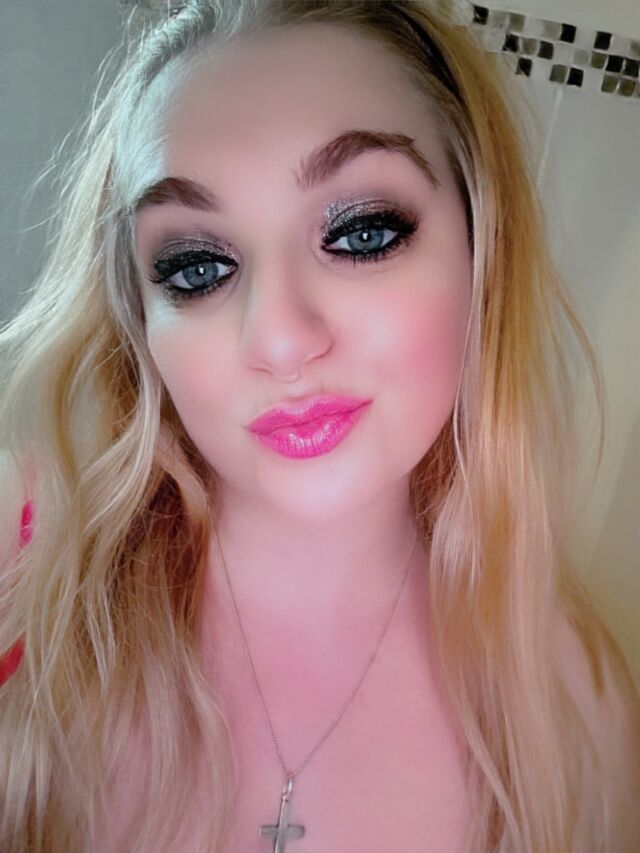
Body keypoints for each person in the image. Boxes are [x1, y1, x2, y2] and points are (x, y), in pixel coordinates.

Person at [0, 1, 638, 851]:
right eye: (197, 267)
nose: (280, 340)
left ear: (484, 251)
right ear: (140, 319)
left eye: (363, 233)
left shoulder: (579, 708)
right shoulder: (22, 581)